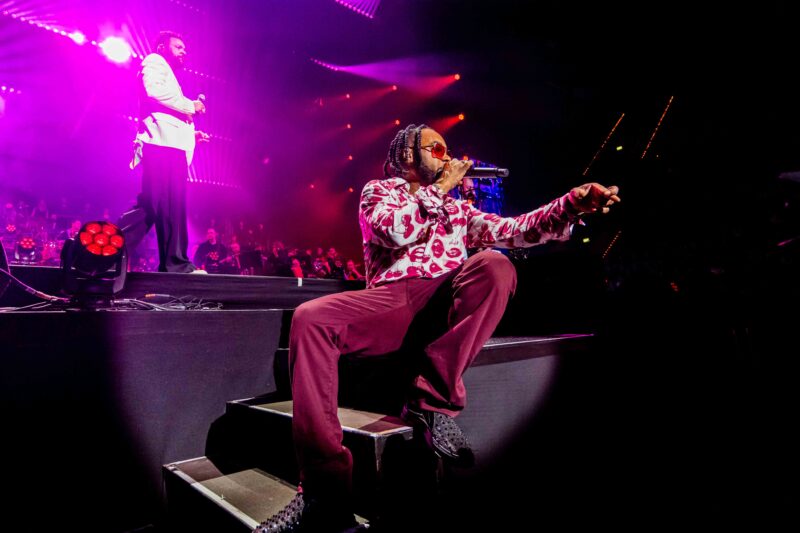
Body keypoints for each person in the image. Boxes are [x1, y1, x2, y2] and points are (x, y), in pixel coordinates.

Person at [252, 124, 620, 533]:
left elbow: (515, 231)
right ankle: (324, 491)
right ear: (408, 155)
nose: (448, 157)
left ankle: (431, 402)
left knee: (495, 264)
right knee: (310, 317)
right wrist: (441, 189)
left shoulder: (458, 210)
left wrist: (570, 204)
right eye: (437, 148)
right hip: (391, 299)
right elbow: (395, 231)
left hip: (442, 296)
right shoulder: (380, 192)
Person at [117, 30, 210, 273]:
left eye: (184, 48)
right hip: (162, 147)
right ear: (162, 47)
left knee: (159, 205)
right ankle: (174, 263)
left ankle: (111, 249)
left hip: (170, 147)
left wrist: (191, 135)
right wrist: (191, 105)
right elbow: (154, 92)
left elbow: (166, 115)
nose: (183, 51)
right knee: (163, 205)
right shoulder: (154, 61)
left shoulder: (167, 72)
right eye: (178, 47)